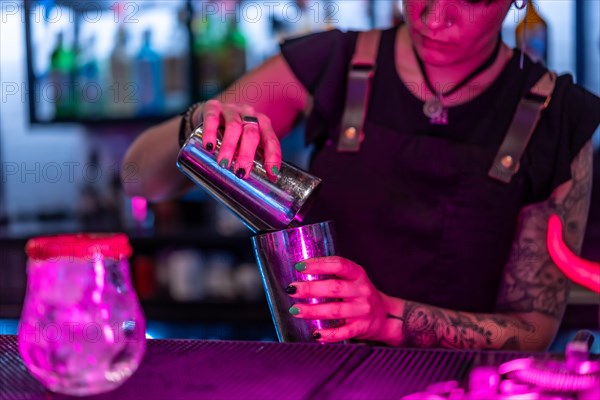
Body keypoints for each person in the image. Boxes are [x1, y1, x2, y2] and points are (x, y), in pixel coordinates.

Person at [122, 0, 600, 350]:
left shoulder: (557, 119)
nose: (434, 18)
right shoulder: (331, 62)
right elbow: (138, 176)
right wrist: (199, 125)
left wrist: (389, 317)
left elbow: (534, 329)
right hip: (326, 375)